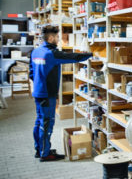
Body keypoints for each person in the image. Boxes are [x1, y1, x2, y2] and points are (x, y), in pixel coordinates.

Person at [29, 25, 92, 162]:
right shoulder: (51, 54)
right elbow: (73, 57)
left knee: (39, 121)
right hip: (47, 94)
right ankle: (45, 154)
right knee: (47, 124)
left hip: (38, 92)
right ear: (51, 38)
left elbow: (31, 73)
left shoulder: (35, 52)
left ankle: (39, 149)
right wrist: (90, 54)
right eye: (57, 37)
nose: (58, 40)